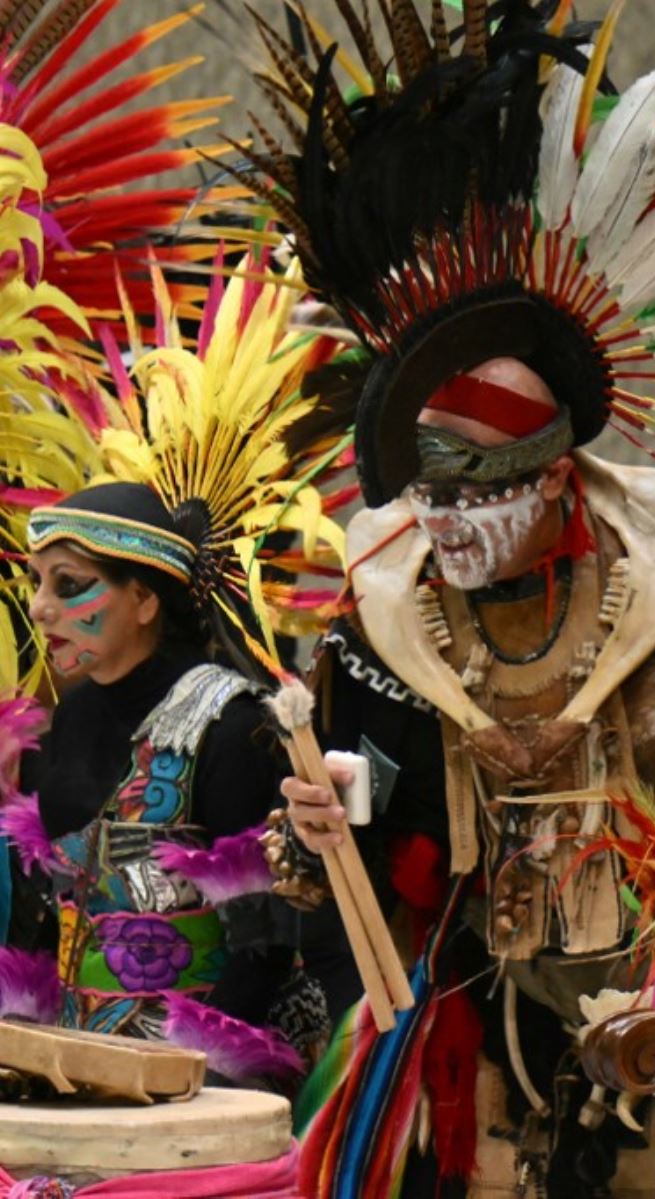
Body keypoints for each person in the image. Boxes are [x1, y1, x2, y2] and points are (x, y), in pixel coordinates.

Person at [240, 5, 655, 1194]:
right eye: (424, 495)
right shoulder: (385, 624)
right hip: (479, 1029)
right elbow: (360, 823)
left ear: (559, 483)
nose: (443, 522)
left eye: (478, 489)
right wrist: (335, 813)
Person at [0, 258, 348, 1094]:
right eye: (39, 582)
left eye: (71, 585)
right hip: (76, 1065)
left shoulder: (234, 726)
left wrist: (187, 1091)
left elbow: (266, 940)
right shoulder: (70, 718)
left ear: (145, 600)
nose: (42, 608)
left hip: (203, 1084)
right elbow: (50, 918)